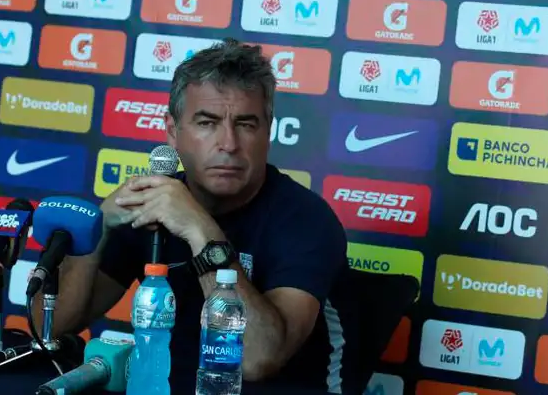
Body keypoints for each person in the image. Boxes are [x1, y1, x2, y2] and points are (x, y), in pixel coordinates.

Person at [36, 38, 348, 391]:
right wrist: (99, 230)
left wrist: (198, 226)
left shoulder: (305, 219)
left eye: (246, 124)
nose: (228, 143)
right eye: (207, 123)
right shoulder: (153, 204)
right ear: (172, 131)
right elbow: (51, 328)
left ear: (268, 131)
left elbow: (258, 359)